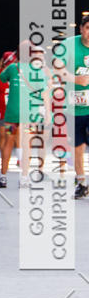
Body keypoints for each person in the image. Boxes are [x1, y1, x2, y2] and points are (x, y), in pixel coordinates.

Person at [0, 43, 48, 189]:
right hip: (28, 115)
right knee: (26, 145)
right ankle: (24, 178)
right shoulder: (37, 70)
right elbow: (43, 92)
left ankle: (3, 177)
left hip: (12, 114)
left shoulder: (13, 68)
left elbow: (1, 78)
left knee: (8, 142)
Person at [63, 14, 89, 198]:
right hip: (74, 105)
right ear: (81, 29)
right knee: (78, 147)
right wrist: (76, 79)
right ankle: (81, 183)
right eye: (87, 28)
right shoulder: (69, 45)